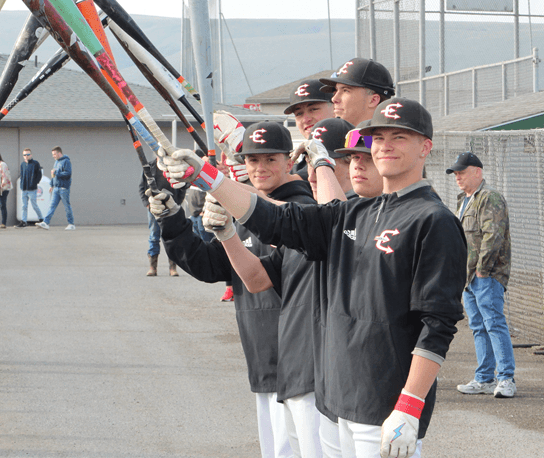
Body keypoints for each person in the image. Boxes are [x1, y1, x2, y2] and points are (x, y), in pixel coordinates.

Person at [159, 98, 465, 458]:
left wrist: (410, 406)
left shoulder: (434, 220)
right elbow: (281, 219)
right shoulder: (356, 211)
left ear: (425, 147)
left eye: (399, 137)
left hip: (383, 403)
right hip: (335, 400)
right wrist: (210, 179)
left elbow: (438, 324)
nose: (385, 146)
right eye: (378, 138)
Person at [158, 121, 314, 458]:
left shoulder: (305, 207)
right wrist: (172, 220)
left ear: (289, 161)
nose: (260, 168)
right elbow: (210, 266)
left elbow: (281, 217)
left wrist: (211, 179)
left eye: (270, 159)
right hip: (263, 360)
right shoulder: (244, 209)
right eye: (253, 160)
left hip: (306, 366)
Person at [447, 152, 515, 399]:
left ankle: (506, 377)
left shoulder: (489, 198)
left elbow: (493, 235)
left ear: (478, 171)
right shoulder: (463, 200)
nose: (458, 177)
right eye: (455, 173)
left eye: (462, 172)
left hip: (486, 275)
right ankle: (485, 378)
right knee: (478, 326)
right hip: (468, 277)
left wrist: (482, 270)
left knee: (494, 323)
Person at [320, 58, 394, 127]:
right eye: (335, 91)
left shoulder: (377, 139)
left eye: (346, 90)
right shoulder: (351, 137)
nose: (334, 99)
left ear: (373, 100)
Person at [284, 79, 334, 179]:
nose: (306, 119)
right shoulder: (299, 162)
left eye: (313, 109)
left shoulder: (355, 143)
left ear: (335, 108)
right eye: (299, 114)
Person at [140, 171, 184, 277]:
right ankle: (153, 267)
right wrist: (147, 204)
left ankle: (173, 267)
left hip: (170, 207)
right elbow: (142, 187)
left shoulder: (171, 166)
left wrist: (176, 204)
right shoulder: (149, 167)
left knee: (171, 237)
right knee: (154, 236)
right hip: (154, 208)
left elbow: (181, 187)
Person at [333, 121, 384, 199]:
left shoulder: (404, 209)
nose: (358, 165)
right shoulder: (346, 209)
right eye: (355, 157)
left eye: (369, 158)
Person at [36, 146, 74, 230]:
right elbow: (54, 175)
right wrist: (52, 185)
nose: (53, 156)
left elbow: (68, 173)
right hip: (56, 188)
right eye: (52, 154)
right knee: (52, 206)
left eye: (54, 154)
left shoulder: (66, 161)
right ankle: (45, 223)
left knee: (67, 206)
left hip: (64, 188)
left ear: (59, 153)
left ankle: (71, 224)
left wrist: (57, 172)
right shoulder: (56, 162)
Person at [16, 148, 43, 228]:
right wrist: (21, 184)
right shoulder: (22, 164)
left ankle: (41, 219)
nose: (26, 156)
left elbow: (39, 175)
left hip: (32, 189)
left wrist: (34, 183)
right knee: (24, 206)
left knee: (34, 205)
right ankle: (24, 221)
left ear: (31, 155)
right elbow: (21, 174)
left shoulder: (35, 164)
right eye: (24, 155)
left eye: (28, 154)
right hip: (24, 188)